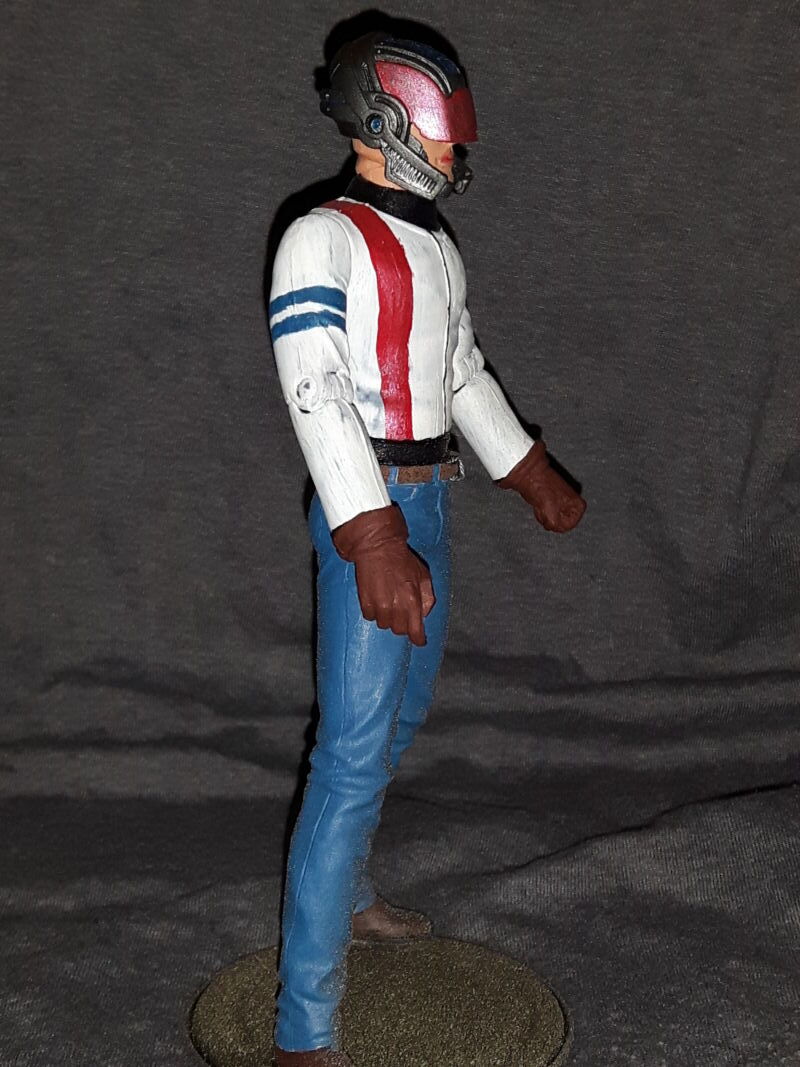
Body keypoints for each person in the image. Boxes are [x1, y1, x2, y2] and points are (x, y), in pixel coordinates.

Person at [268, 31, 586, 1066]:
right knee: (351, 754)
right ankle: (304, 1025)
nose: (457, 150)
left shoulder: (438, 248)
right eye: (447, 130)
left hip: (430, 503)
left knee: (395, 722)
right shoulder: (321, 239)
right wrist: (369, 534)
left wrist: (525, 468)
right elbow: (316, 389)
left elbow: (459, 373)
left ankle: (352, 896)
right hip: (369, 512)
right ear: (389, 118)